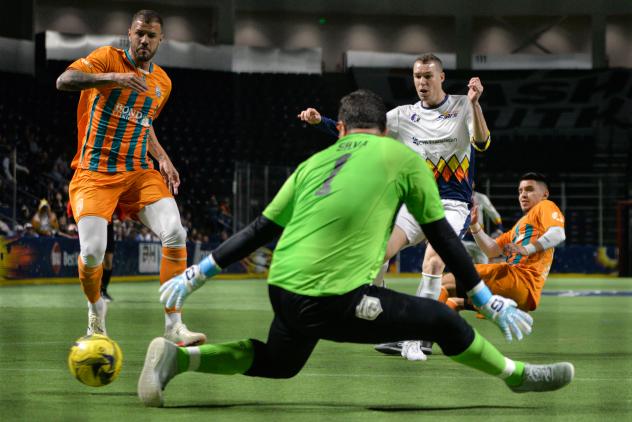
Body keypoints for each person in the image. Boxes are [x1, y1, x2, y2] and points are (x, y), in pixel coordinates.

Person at [136, 90, 572, 407]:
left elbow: (258, 230)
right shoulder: (403, 159)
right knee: (440, 318)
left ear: (340, 129)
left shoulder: (311, 165)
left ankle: (178, 359)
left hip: (283, 289)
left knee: (281, 362)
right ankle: (516, 376)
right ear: (386, 130)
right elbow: (440, 236)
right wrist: (485, 300)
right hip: (333, 298)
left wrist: (196, 274)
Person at [298, 53, 491, 357]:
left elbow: (481, 142)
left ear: (441, 77)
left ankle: (420, 336)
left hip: (452, 205)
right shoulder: (402, 116)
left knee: (434, 261)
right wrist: (319, 120)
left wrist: (476, 103)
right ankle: (387, 321)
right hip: (416, 200)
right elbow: (361, 133)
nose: (422, 82)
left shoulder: (463, 105)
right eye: (417, 76)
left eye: (428, 76)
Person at [56, 9, 205, 346]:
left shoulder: (162, 83)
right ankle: (96, 310)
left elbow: (142, 121)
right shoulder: (106, 58)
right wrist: (114, 78)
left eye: (151, 35)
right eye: (139, 33)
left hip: (138, 172)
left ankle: (174, 324)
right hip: (94, 172)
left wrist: (163, 157)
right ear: (129, 33)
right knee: (93, 252)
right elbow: (63, 81)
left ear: (160, 40)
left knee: (175, 233)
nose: (144, 40)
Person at [441, 173, 565, 313]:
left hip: (517, 279)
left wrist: (527, 249)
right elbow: (491, 250)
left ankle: (421, 332)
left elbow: (558, 233)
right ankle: (443, 332)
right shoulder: (519, 227)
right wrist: (475, 226)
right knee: (454, 301)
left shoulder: (545, 205)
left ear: (545, 194)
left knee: (445, 282)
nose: (523, 195)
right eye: (520, 191)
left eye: (529, 189)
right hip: (521, 293)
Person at [463, 188, 504, 264]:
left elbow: (494, 214)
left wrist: (499, 228)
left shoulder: (480, 197)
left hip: (478, 240)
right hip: (463, 240)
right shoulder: (454, 197)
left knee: (483, 271)